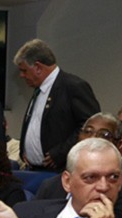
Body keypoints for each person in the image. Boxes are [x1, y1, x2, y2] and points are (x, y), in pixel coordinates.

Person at [14, 38, 100, 172]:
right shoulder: (38, 89)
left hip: (60, 172)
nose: (21, 75)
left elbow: (91, 126)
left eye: (24, 70)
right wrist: (24, 150)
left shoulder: (73, 86)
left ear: (38, 67)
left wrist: (61, 152)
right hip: (34, 169)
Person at [35, 112, 122, 200]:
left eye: (104, 134)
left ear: (119, 144)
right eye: (88, 131)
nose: (92, 138)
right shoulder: (50, 186)